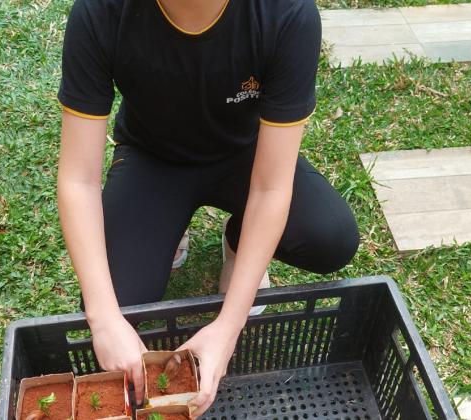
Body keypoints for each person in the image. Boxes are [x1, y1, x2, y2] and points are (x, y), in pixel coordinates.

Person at [56, 0, 360, 416]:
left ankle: (239, 239)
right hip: (152, 160)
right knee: (118, 300)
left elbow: (271, 187)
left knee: (330, 236)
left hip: (245, 157)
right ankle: (169, 226)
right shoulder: (101, 11)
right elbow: (79, 179)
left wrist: (229, 326)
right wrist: (104, 317)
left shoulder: (287, 13)